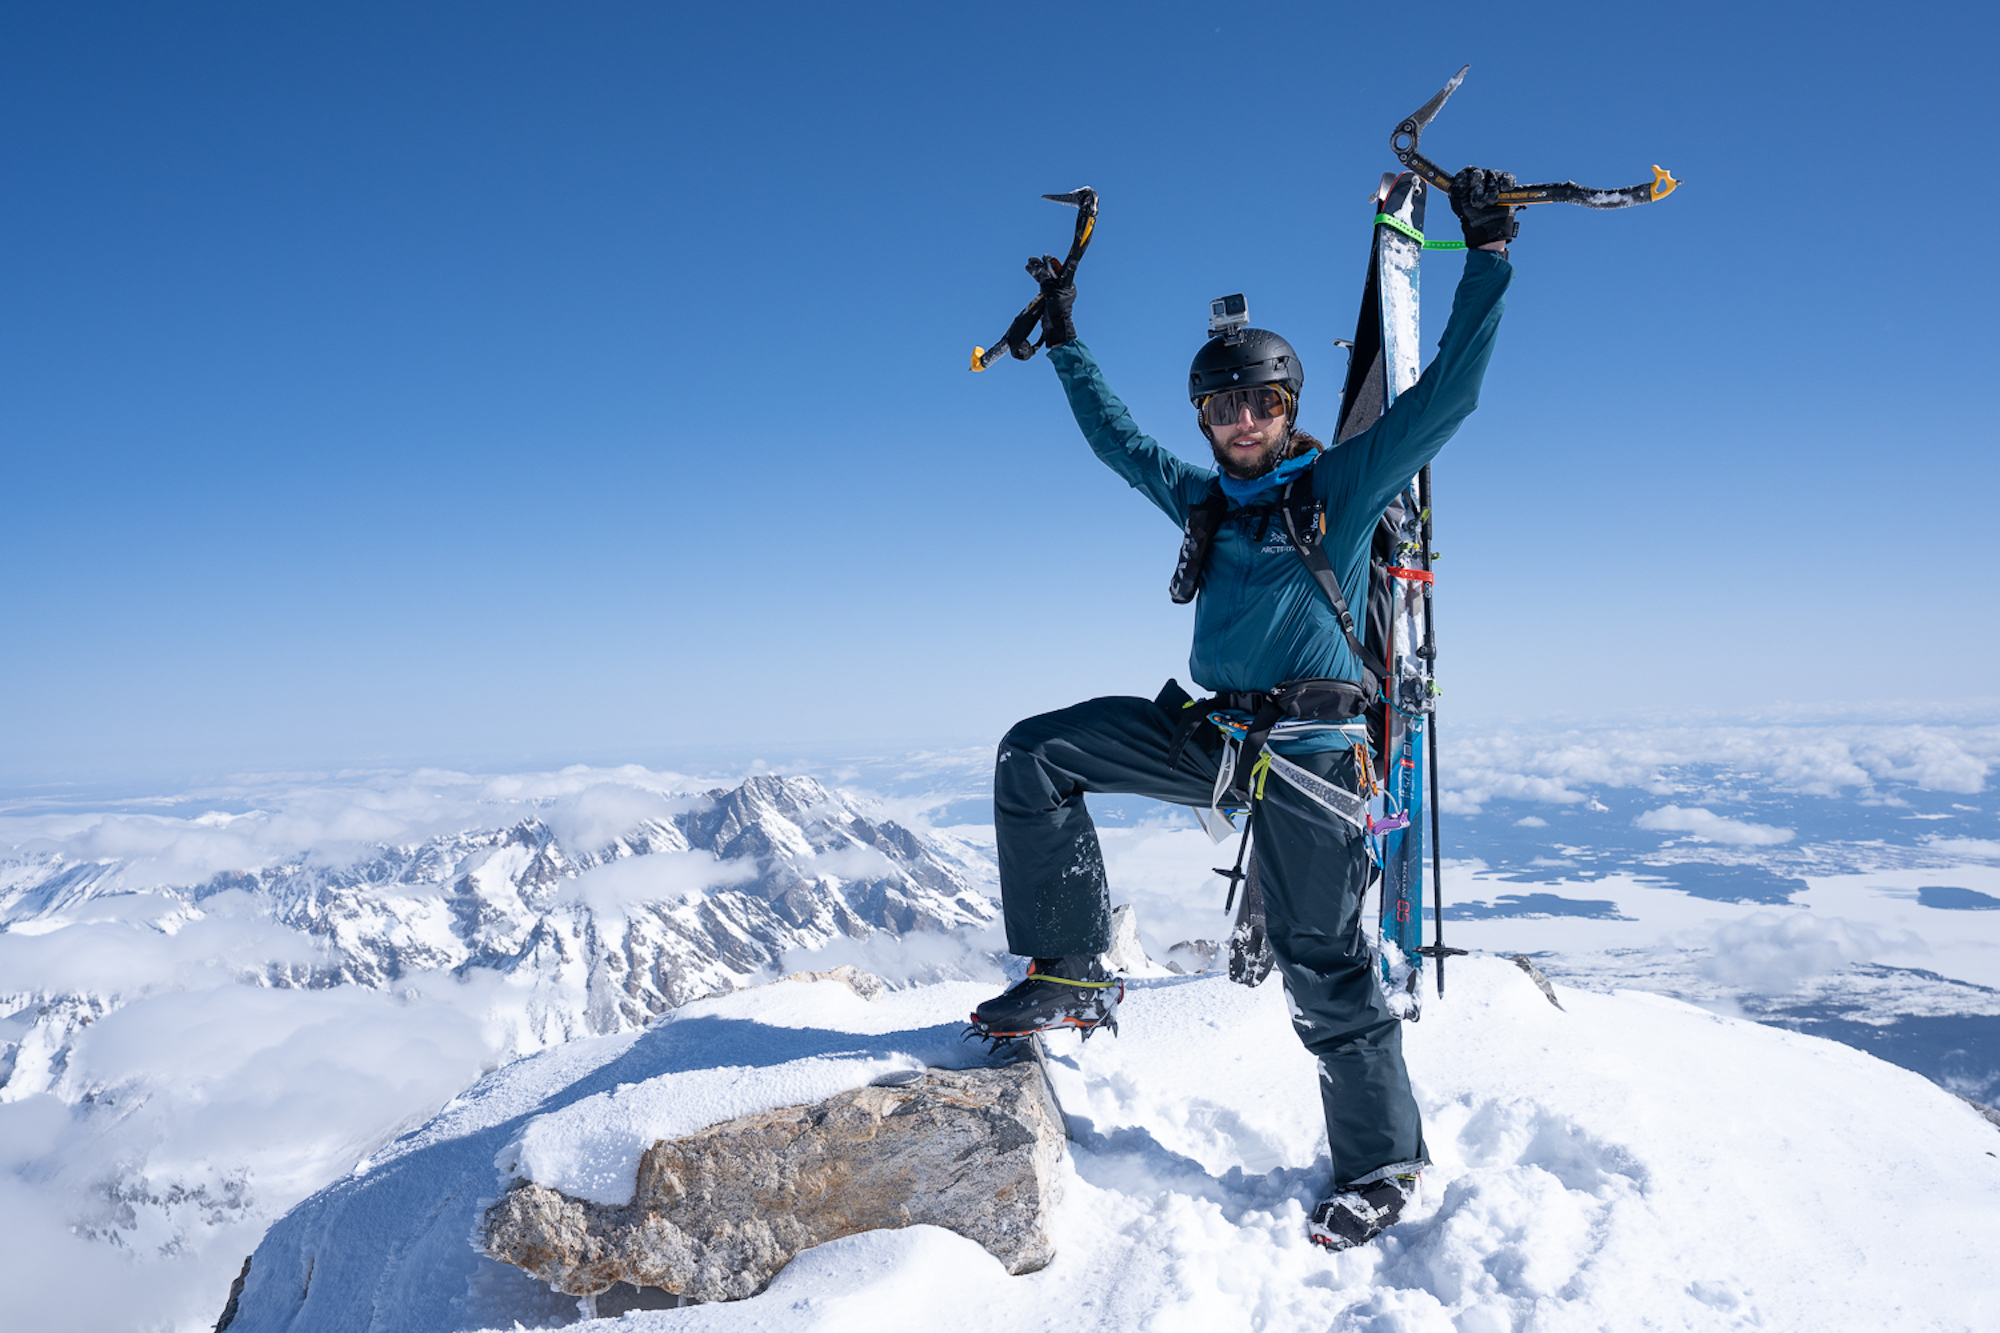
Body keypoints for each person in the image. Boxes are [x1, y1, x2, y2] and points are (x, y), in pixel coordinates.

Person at [968, 168, 1519, 1251]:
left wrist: (1488, 257)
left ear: (1289, 406)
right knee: (1033, 755)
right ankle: (1070, 969)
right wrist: (1069, 343)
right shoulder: (1206, 505)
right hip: (1215, 736)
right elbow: (1119, 444)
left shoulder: (1342, 488)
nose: (1242, 420)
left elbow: (1447, 396)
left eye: (1261, 402)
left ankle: (1382, 1163)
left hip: (1312, 755)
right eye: (1222, 406)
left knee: (1322, 965)